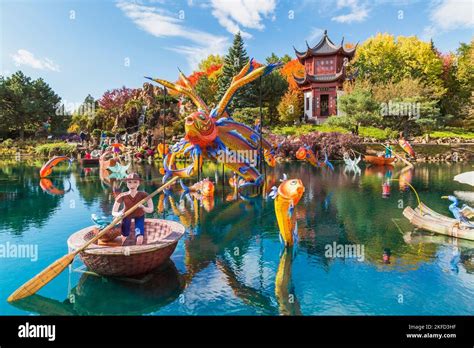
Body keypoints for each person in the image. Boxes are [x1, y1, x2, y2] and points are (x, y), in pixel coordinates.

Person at [112, 173, 154, 245]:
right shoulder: (122, 196)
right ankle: (122, 248)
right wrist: (119, 214)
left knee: (140, 236)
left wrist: (143, 208)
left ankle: (138, 250)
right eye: (129, 182)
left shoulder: (144, 195)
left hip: (139, 215)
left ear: (139, 183)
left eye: (135, 182)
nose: (132, 185)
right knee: (124, 235)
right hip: (126, 215)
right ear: (126, 183)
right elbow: (113, 212)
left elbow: (151, 209)